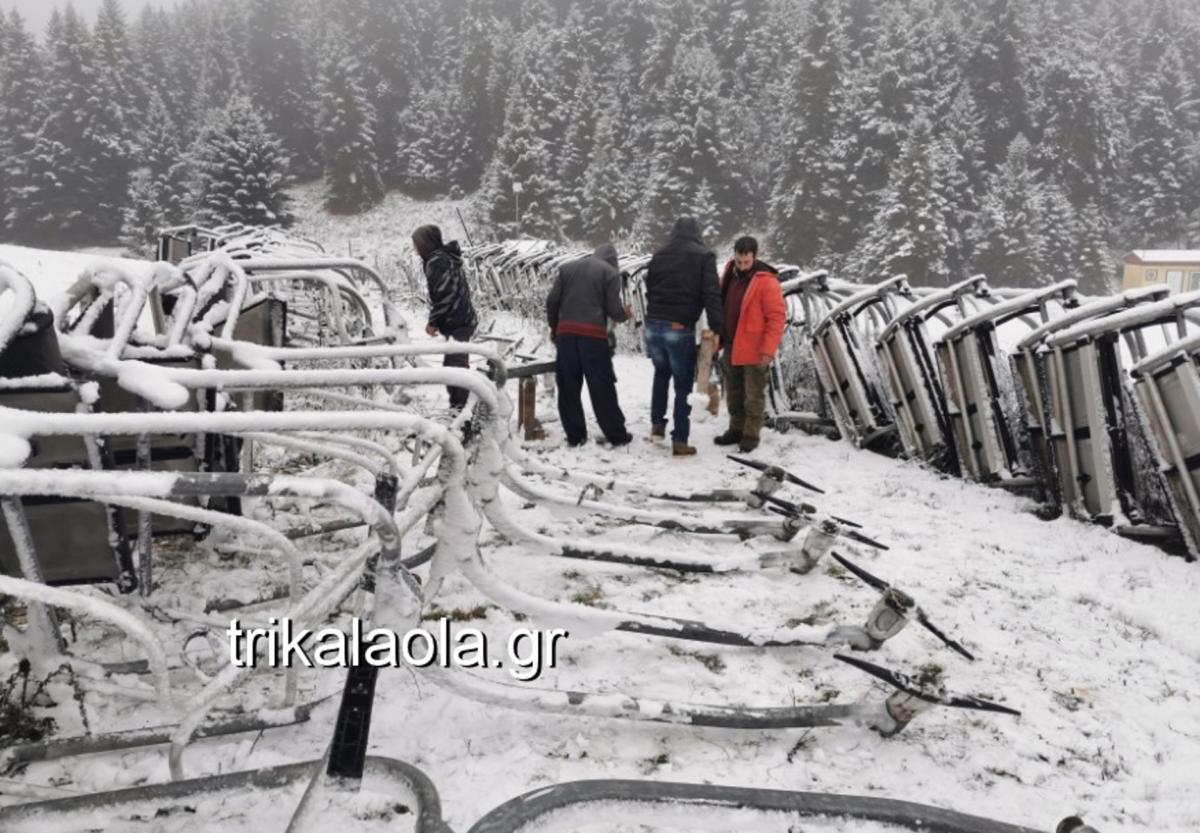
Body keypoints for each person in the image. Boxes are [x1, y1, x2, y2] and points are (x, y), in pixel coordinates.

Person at [643, 217, 723, 456]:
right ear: (697, 233)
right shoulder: (704, 256)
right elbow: (711, 295)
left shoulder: (659, 255)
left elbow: (650, 288)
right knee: (682, 384)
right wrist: (718, 329)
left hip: (652, 325)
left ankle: (657, 425)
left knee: (661, 373)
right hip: (678, 327)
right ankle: (680, 439)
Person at [545, 243, 633, 447]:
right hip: (593, 337)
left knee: (568, 387)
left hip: (566, 335)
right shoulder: (610, 273)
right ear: (613, 261)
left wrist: (554, 327)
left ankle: (575, 436)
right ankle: (616, 434)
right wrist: (624, 315)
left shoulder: (567, 269)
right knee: (601, 386)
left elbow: (552, 301)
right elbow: (614, 309)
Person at [713, 236, 786, 453]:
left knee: (753, 394)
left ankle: (751, 434)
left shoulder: (767, 281)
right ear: (734, 255)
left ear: (755, 257)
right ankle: (735, 429)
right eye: (739, 261)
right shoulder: (728, 273)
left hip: (755, 347)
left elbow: (776, 317)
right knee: (734, 392)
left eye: (746, 262)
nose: (742, 266)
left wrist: (768, 350)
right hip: (731, 342)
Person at [412, 224, 478, 411]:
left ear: (425, 243)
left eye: (417, 244)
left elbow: (444, 294)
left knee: (455, 369)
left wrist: (433, 322)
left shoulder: (436, 261)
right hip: (462, 318)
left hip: (457, 320)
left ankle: (462, 413)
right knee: (454, 365)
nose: (415, 249)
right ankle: (459, 410)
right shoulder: (446, 256)